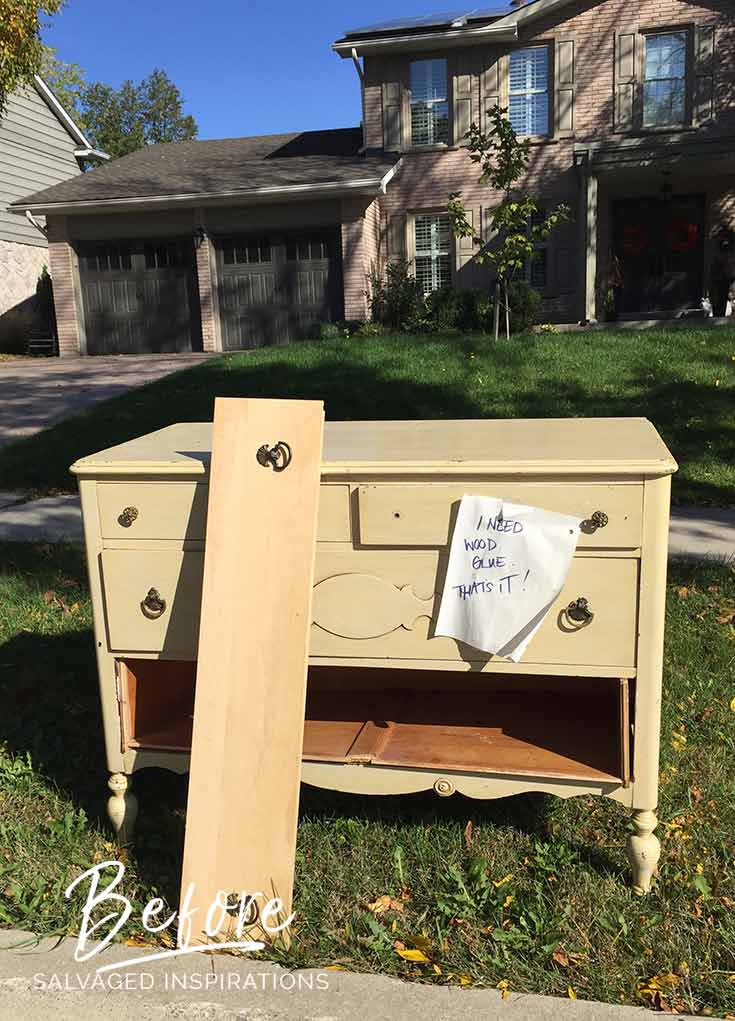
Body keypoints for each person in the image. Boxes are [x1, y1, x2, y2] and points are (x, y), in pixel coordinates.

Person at [709, 231, 735, 317]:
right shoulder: (720, 251)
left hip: (725, 277)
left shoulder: (728, 250)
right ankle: (718, 316)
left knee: (721, 299)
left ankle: (719, 316)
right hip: (720, 277)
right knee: (719, 300)